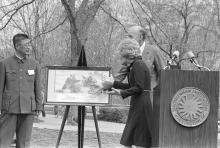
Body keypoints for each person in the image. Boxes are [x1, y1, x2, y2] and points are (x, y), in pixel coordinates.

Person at [103, 38, 153, 148]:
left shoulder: (138, 64)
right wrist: (114, 85)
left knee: (140, 140)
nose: (119, 56)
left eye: (121, 52)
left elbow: (139, 88)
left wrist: (122, 93)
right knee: (129, 139)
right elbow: (132, 86)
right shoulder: (134, 65)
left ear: (127, 53)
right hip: (138, 103)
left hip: (142, 105)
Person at [0, 33, 42, 148]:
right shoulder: (5, 63)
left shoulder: (34, 64)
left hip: (28, 109)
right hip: (9, 109)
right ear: (17, 46)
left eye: (30, 44)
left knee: (24, 143)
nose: (29, 47)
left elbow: (38, 87)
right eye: (26, 44)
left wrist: (39, 106)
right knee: (3, 142)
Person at [114, 26, 165, 104]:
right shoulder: (128, 54)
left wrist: (162, 94)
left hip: (152, 97)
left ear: (140, 37)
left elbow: (164, 73)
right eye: (127, 37)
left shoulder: (154, 51)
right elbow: (120, 75)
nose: (128, 39)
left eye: (131, 36)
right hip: (136, 95)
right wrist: (106, 83)